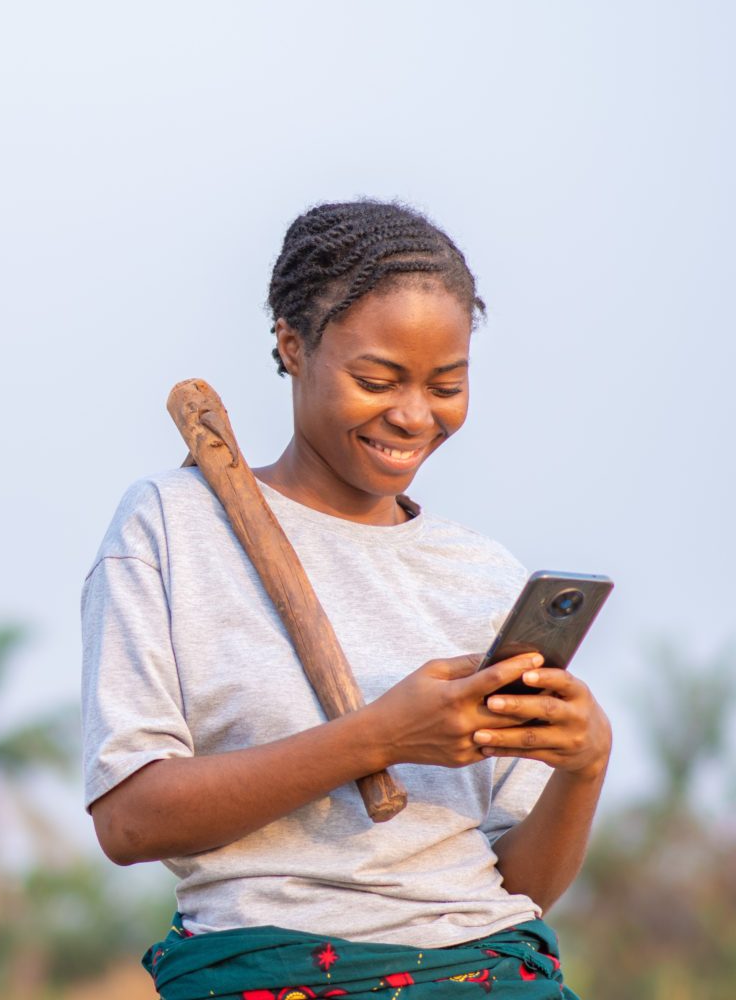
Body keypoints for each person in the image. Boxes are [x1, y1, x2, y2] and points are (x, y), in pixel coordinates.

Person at [80, 200, 610, 999]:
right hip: (269, 969)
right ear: (292, 345)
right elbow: (129, 821)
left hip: (490, 968)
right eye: (377, 379)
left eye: (448, 384)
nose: (412, 414)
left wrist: (586, 765)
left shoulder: (483, 574)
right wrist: (379, 737)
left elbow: (520, 885)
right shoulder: (172, 527)